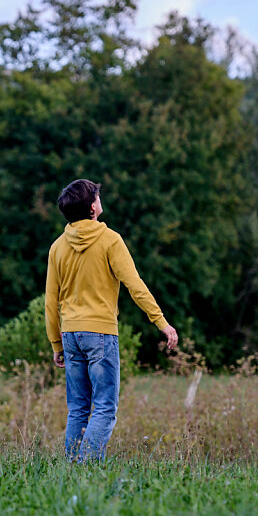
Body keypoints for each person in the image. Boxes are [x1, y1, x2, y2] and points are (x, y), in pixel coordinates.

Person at [45, 179, 178, 462]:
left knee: (78, 408)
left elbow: (50, 301)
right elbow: (135, 285)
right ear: (93, 207)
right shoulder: (110, 240)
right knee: (105, 407)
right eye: (97, 195)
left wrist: (56, 343)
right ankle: (85, 468)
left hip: (70, 334)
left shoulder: (57, 247)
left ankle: (70, 471)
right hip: (101, 334)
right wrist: (161, 322)